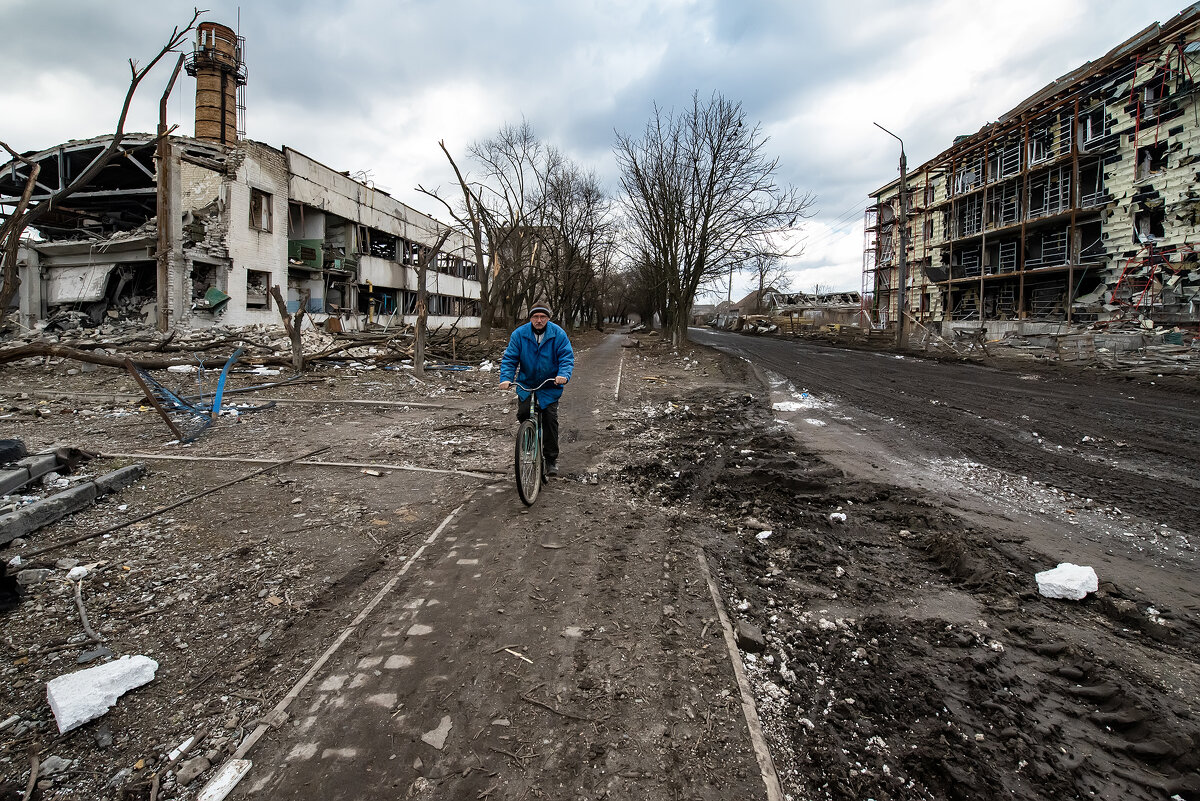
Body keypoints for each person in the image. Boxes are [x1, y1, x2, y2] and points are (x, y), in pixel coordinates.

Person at [498, 304, 574, 476]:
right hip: (526, 384)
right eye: (535, 317)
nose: (539, 320)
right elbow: (510, 358)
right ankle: (529, 437)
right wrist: (506, 379)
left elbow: (566, 357)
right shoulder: (519, 334)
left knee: (550, 419)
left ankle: (551, 459)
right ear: (530, 318)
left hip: (550, 385)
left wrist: (563, 375)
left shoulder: (558, 334)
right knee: (524, 413)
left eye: (543, 317)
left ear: (548, 318)